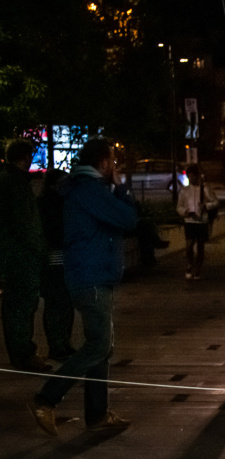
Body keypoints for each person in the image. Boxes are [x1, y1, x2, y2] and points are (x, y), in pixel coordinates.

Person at [27, 138, 137, 436]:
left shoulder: (83, 188)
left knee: (102, 345)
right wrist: (121, 188)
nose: (114, 166)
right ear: (103, 161)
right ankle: (46, 399)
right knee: (98, 345)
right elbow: (128, 218)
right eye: (112, 160)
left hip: (91, 276)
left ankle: (97, 414)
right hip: (92, 278)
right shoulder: (89, 189)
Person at [0, 138, 51, 371]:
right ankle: (24, 353)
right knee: (22, 304)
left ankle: (21, 353)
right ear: (25, 158)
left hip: (13, 254)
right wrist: (39, 249)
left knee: (16, 305)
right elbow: (25, 223)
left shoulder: (8, 180)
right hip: (21, 256)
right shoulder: (16, 184)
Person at [37, 168, 76, 361]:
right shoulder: (57, 203)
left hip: (55, 259)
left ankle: (60, 344)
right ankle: (59, 344)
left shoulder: (46, 202)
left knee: (58, 304)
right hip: (58, 259)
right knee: (60, 303)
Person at [176, 164, 218, 280]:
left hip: (201, 222)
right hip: (189, 221)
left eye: (193, 177)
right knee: (189, 245)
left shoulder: (205, 189)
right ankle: (190, 264)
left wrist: (206, 206)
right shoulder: (185, 191)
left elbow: (215, 202)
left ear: (197, 176)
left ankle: (198, 268)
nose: (191, 179)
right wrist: (185, 212)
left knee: (200, 246)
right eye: (189, 177)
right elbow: (179, 206)